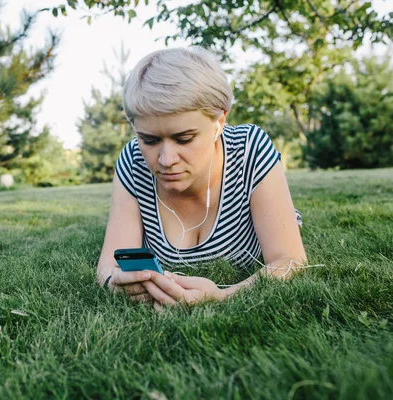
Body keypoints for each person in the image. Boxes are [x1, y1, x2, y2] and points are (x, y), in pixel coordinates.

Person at [96, 47, 307, 311]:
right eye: (149, 140)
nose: (166, 159)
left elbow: (289, 260)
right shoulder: (133, 161)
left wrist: (221, 296)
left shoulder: (249, 149)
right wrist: (115, 282)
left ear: (220, 121)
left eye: (184, 139)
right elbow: (108, 267)